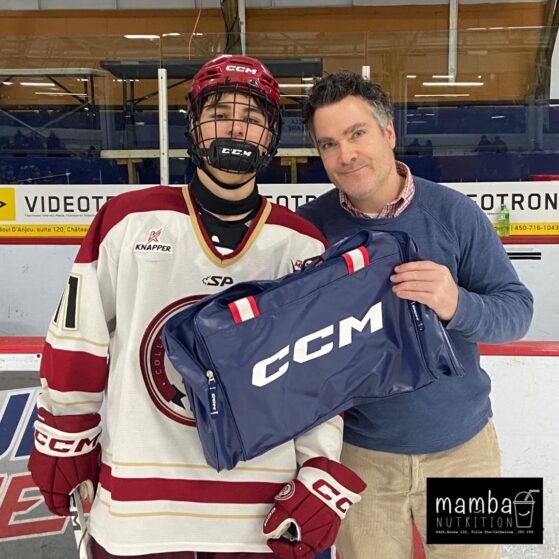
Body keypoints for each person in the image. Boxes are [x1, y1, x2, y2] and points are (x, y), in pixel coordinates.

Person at [28, 56, 365, 559]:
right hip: (137, 515)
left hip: (258, 516)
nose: (235, 128)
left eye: (252, 118)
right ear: (193, 124)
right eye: (220, 114)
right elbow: (78, 340)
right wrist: (66, 431)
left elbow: (318, 374)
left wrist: (319, 469)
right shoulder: (128, 221)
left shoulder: (300, 245)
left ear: (271, 134)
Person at [297, 71, 534, 559]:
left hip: (466, 453)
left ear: (388, 133)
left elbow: (517, 311)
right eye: (328, 144)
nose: (346, 155)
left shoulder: (455, 213)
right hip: (357, 461)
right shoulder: (309, 231)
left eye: (357, 133)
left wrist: (456, 303)